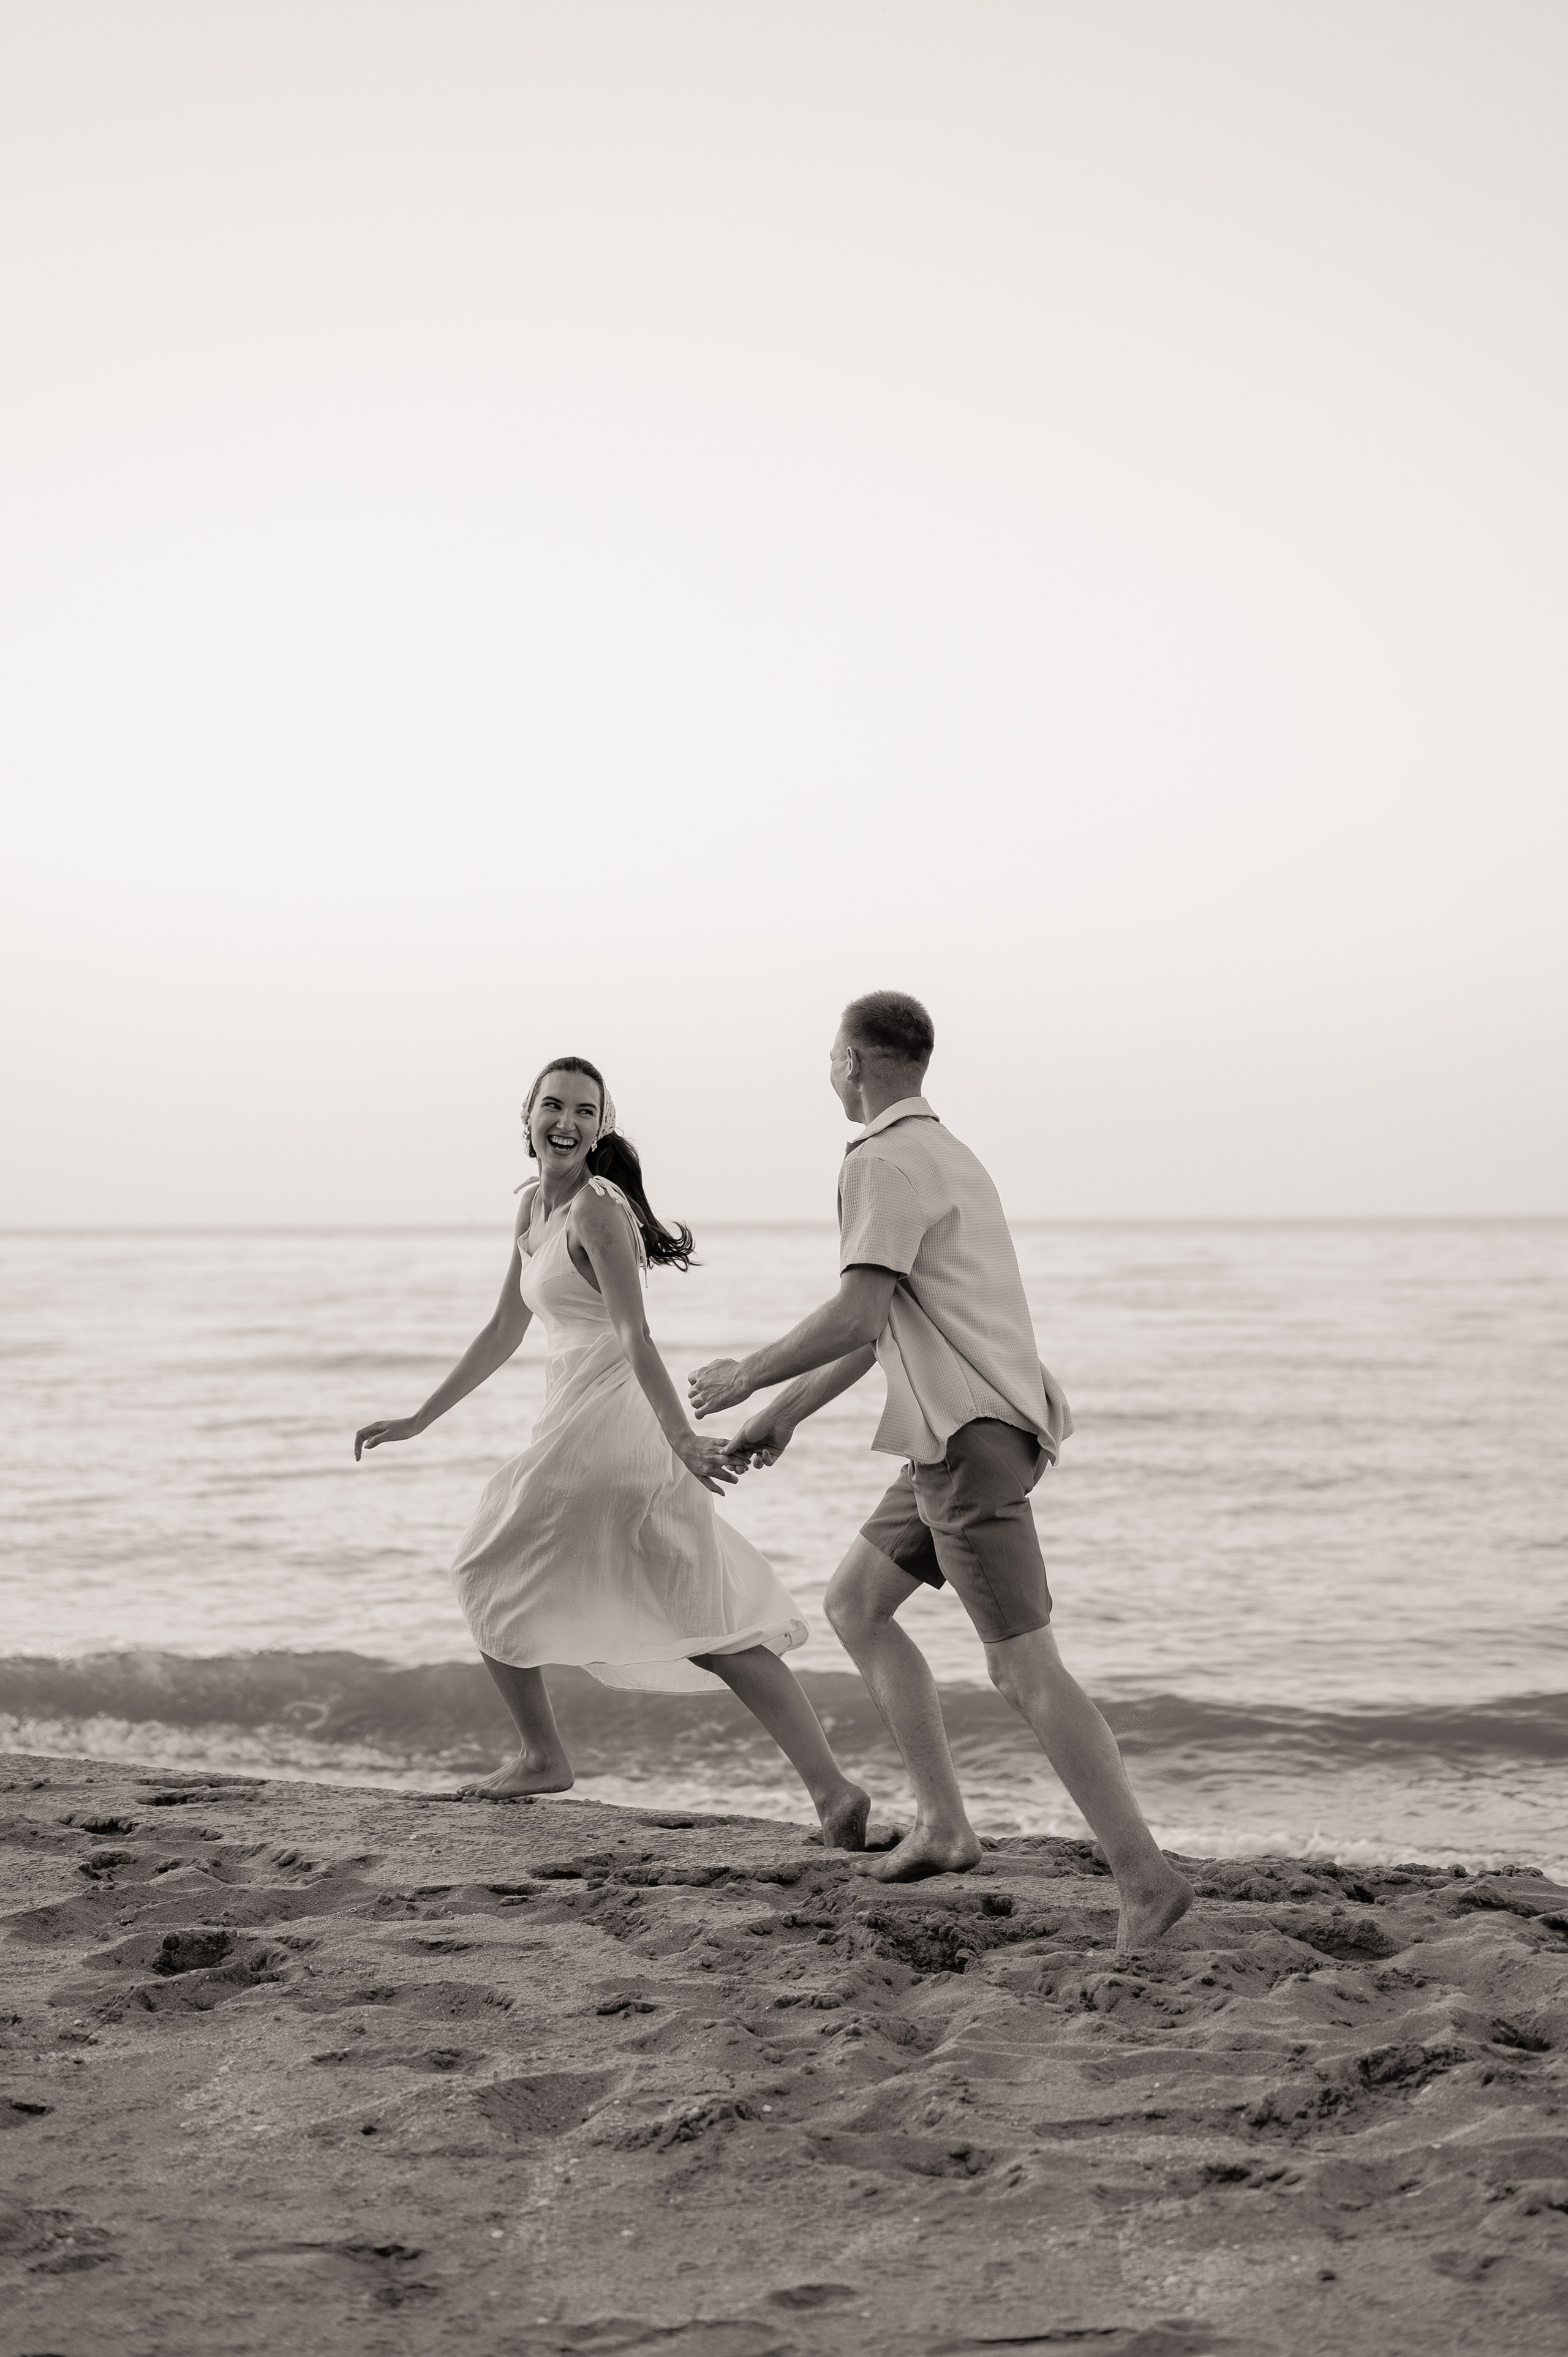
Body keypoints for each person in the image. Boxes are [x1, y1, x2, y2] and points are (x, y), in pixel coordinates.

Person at [688, 994, 1191, 1952]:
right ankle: (945, 1824)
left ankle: (1147, 1878)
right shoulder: (950, 1152)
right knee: (856, 1606)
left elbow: (852, 1314)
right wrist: (781, 1415)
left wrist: (743, 1373)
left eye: (829, 1059)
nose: (828, 1072)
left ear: (850, 1060)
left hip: (965, 1439)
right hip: (962, 1431)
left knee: (1022, 1666)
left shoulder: (880, 1160)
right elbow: (886, 1320)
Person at [355, 1055, 869, 1849]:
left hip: (610, 1429)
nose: (567, 1122)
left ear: (602, 1129)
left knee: (484, 1564)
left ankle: (540, 1755)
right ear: (527, 1116)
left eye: (585, 1112)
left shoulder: (598, 1210)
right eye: (554, 1106)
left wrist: (681, 1441)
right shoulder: (534, 1208)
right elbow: (504, 1330)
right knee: (711, 1623)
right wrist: (420, 1419)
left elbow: (635, 1335)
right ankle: (833, 1792)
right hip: (590, 1425)